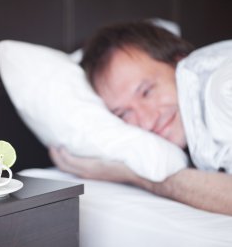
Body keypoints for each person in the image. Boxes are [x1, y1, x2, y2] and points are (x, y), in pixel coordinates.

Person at [49, 21, 232, 216]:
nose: (145, 121)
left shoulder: (222, 87)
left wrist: (136, 176)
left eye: (146, 91)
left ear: (179, 60)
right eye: (123, 113)